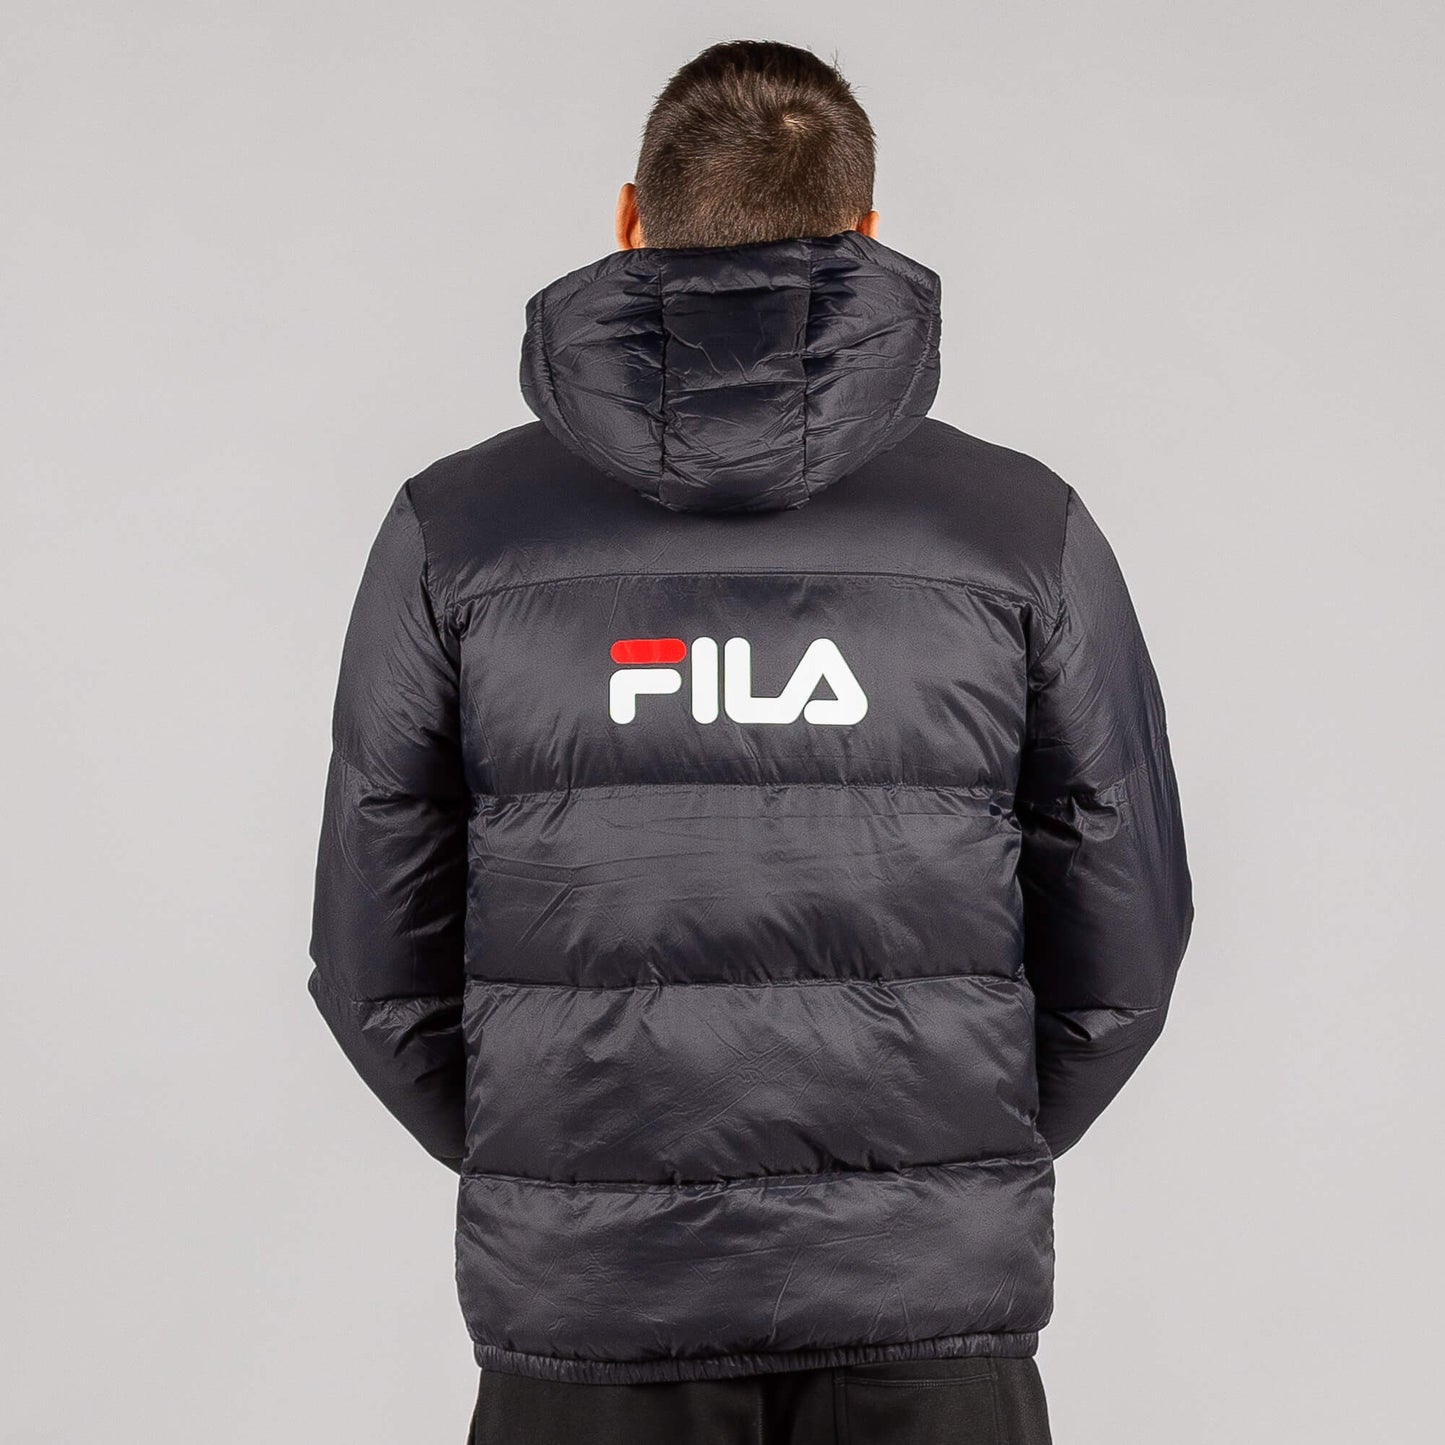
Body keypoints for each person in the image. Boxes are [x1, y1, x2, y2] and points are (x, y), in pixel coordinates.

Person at [308, 38, 1193, 1445]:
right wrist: (934, 1160)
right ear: (868, 231)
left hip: (593, 1308)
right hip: (921, 1298)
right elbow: (1125, 948)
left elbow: (373, 963)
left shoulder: (454, 534)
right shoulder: (1023, 532)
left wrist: (574, 1155)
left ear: (628, 222)